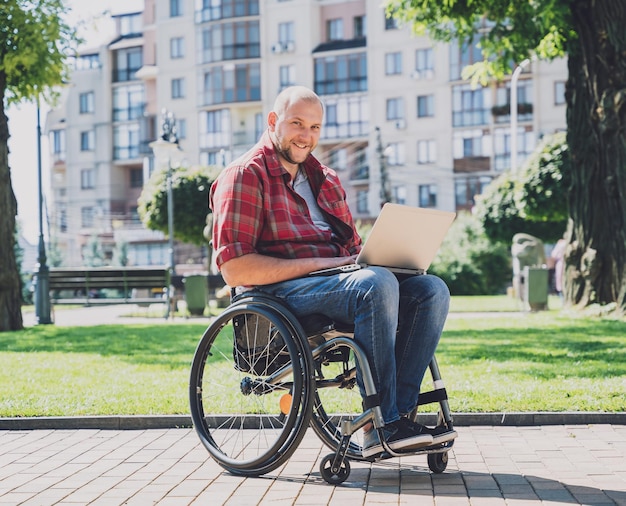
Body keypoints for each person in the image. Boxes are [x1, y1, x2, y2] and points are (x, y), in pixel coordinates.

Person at [209, 85, 457, 458]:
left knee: (430, 289)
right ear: (273, 121)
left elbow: (352, 250)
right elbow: (234, 268)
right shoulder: (245, 175)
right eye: (296, 123)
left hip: (339, 284)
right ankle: (380, 421)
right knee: (374, 284)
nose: (306, 136)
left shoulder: (325, 177)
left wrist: (388, 257)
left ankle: (399, 417)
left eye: (315, 127)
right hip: (280, 293)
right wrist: (328, 265)